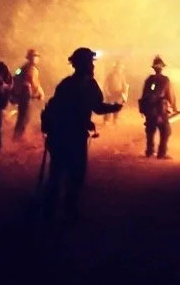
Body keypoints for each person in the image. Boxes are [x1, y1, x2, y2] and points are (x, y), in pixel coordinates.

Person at [37, 47, 122, 223]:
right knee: (75, 174)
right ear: (84, 64)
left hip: (59, 135)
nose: (93, 66)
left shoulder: (65, 84)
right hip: (75, 136)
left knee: (56, 173)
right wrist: (115, 107)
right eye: (90, 62)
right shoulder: (90, 85)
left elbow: (58, 108)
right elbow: (98, 107)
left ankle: (48, 212)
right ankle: (69, 212)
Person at [138, 55, 179, 159]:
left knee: (150, 131)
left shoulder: (149, 80)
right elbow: (170, 95)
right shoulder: (165, 80)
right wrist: (174, 107)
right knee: (165, 131)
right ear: (162, 68)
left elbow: (144, 95)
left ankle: (149, 151)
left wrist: (144, 110)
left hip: (149, 110)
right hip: (160, 110)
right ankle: (162, 153)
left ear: (154, 68)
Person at [11, 48, 45, 140]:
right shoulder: (30, 69)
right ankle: (17, 139)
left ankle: (16, 138)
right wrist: (39, 93)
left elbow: (15, 76)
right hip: (25, 97)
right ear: (30, 57)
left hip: (23, 96)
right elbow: (33, 83)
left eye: (36, 56)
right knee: (24, 118)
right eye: (35, 56)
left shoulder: (23, 68)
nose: (36, 58)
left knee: (23, 117)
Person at [102, 58, 129, 125]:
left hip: (118, 94)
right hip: (110, 94)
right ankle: (106, 120)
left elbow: (124, 85)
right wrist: (106, 92)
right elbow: (105, 84)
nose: (119, 69)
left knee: (117, 107)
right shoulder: (110, 75)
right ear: (115, 68)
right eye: (118, 67)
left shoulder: (122, 76)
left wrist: (125, 93)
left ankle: (115, 119)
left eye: (120, 68)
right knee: (108, 107)